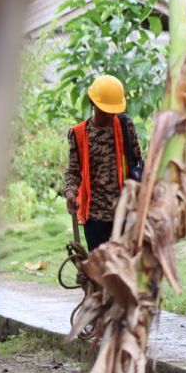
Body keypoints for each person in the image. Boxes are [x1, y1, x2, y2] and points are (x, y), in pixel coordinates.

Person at [64, 75, 144, 251]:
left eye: (113, 111)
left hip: (124, 214)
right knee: (99, 272)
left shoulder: (125, 126)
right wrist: (70, 192)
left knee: (124, 269)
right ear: (92, 103)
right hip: (95, 217)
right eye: (104, 110)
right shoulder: (78, 134)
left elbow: (138, 163)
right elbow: (73, 172)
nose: (109, 115)